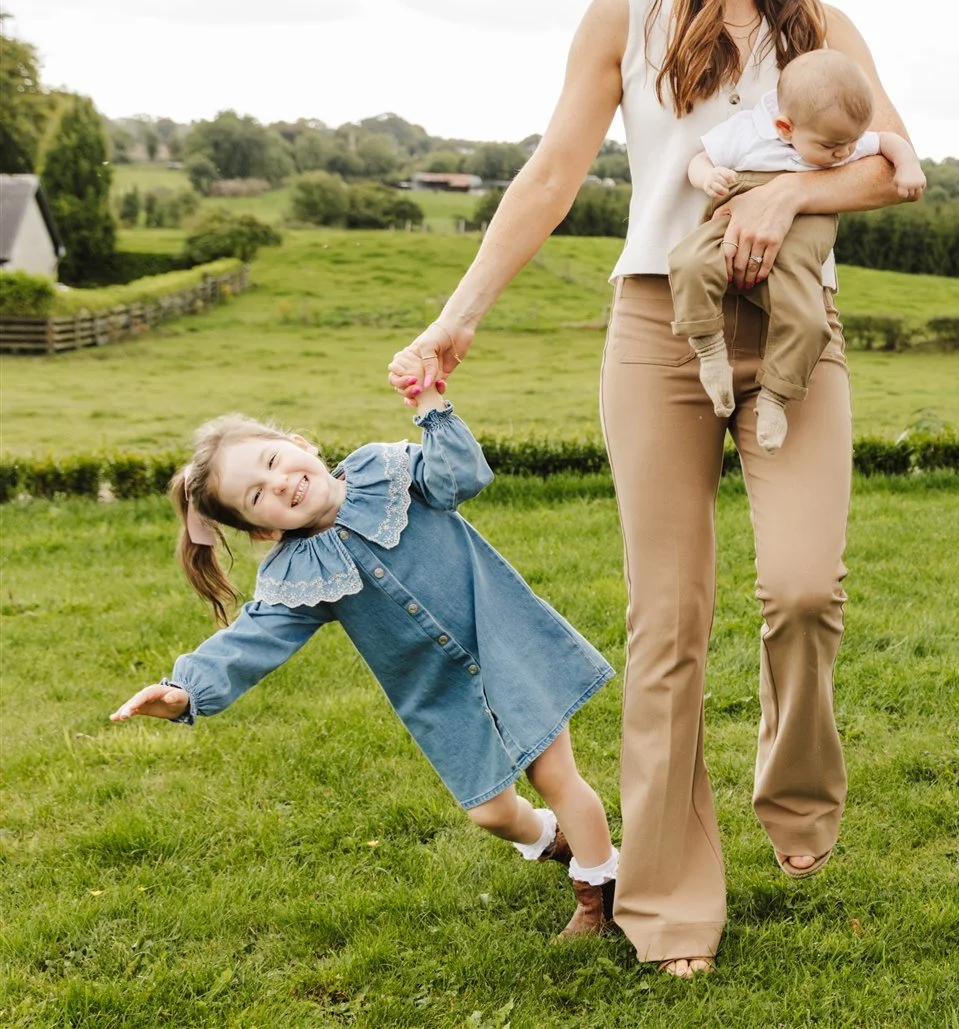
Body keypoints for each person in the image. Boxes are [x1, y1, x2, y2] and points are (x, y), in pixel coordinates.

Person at [387, 0, 918, 979]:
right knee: (666, 623)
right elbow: (551, 175)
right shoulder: (620, 19)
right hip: (655, 330)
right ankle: (670, 903)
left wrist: (788, 192)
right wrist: (455, 321)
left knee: (800, 589)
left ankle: (794, 784)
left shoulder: (820, 25)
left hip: (790, 333)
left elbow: (901, 169)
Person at [109, 374, 621, 943]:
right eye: (257, 495)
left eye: (275, 461)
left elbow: (460, 475)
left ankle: (600, 892)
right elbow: (250, 641)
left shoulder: (387, 472)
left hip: (507, 645)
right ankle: (563, 841)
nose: (279, 484)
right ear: (259, 529)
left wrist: (432, 407)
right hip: (437, 693)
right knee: (492, 813)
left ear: (303, 446)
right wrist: (185, 690)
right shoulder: (296, 575)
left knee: (553, 774)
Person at [671, 48, 924, 451]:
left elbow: (889, 141)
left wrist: (908, 166)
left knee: (808, 322)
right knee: (687, 261)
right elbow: (700, 158)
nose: (844, 154)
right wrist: (708, 178)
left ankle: (775, 398)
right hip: (737, 209)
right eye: (832, 147)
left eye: (851, 144)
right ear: (785, 127)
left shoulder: (840, 135)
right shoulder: (748, 132)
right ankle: (709, 349)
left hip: (802, 232)